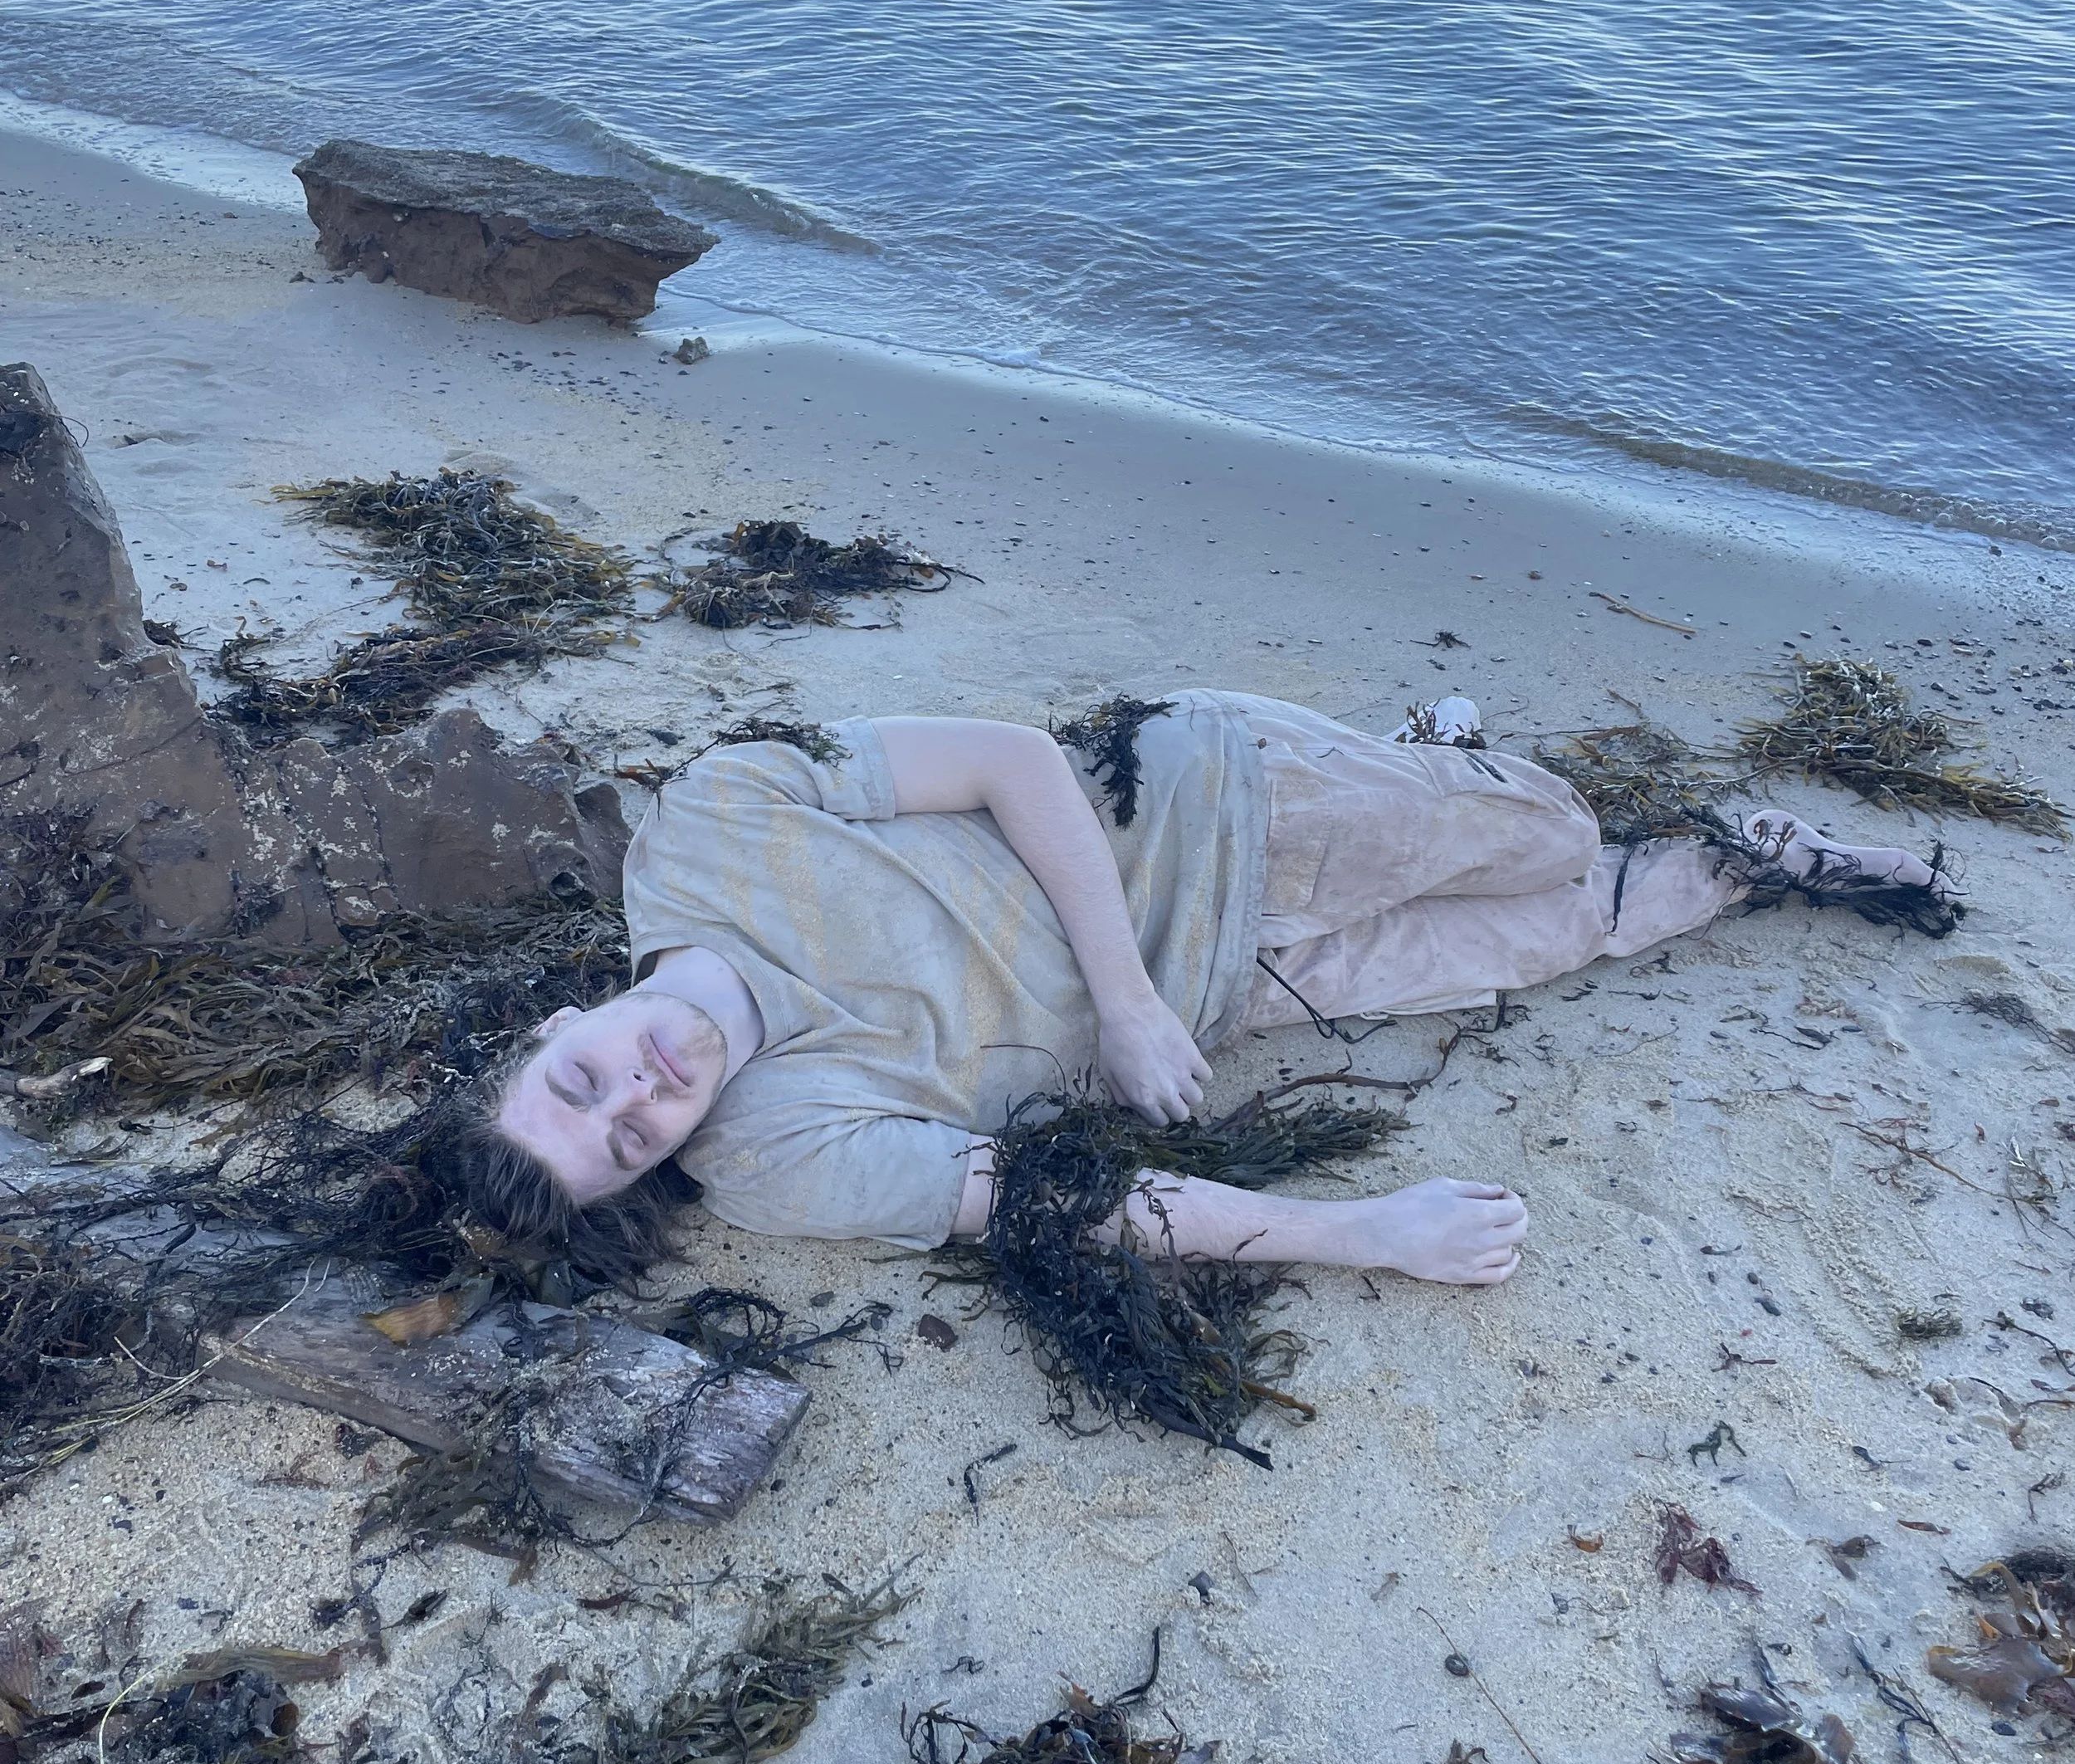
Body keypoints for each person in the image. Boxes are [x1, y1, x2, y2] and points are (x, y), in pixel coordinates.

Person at [470, 689, 1948, 1288]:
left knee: (1549, 826)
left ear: (555, 1030)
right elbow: (1054, 1202)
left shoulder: (710, 826)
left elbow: (1011, 758)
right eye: (627, 1144)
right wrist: (1358, 1234)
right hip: (1240, 995)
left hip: (1200, 806)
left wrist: (1123, 1003)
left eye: (582, 1084)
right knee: (1569, 929)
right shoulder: (777, 1159)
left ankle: (1425, 748)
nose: (641, 1097)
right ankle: (1772, 863)